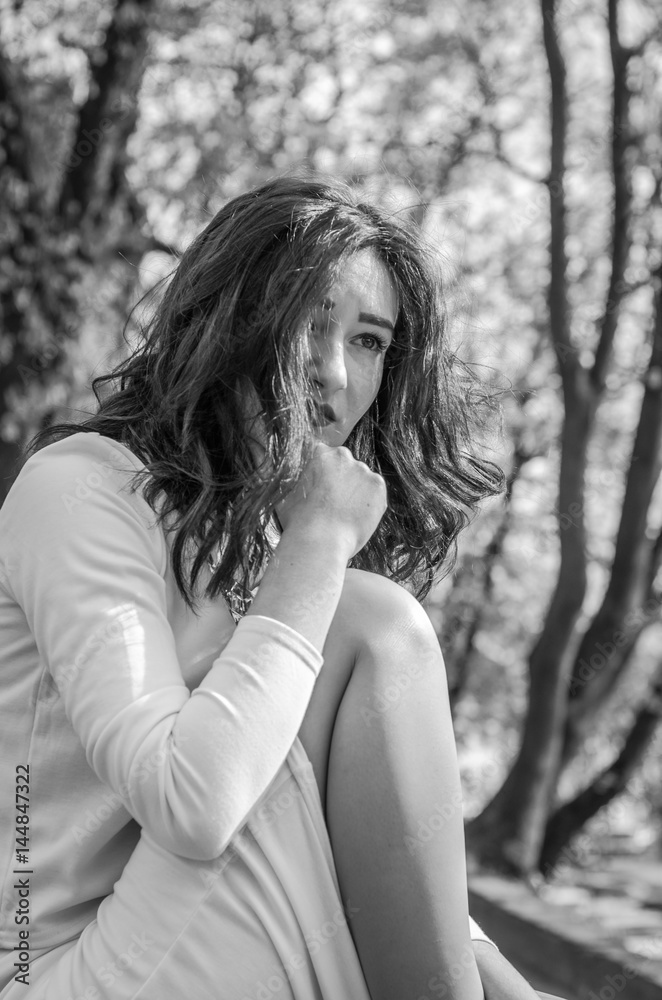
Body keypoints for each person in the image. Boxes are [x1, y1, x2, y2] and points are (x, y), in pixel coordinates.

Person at [0, 175, 563, 999]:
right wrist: (326, 542)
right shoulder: (80, 490)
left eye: (370, 341)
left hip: (172, 939)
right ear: (227, 314)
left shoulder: (267, 536)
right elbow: (192, 804)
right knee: (372, 625)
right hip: (44, 967)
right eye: (310, 320)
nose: (333, 372)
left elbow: (380, 850)